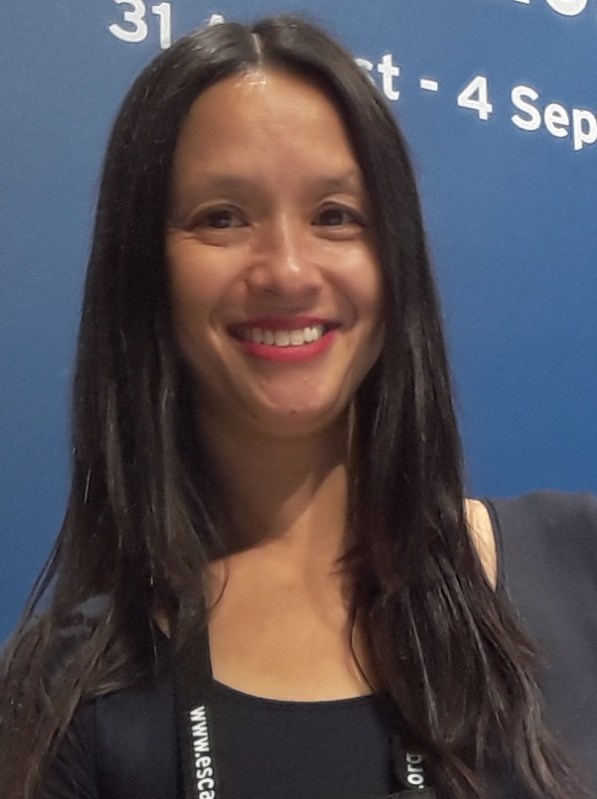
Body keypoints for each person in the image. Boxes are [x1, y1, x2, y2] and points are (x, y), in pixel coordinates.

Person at [1, 15, 596, 799]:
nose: (286, 269)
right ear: (145, 268)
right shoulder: (64, 697)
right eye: (222, 217)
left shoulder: (577, 564)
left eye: (335, 215)